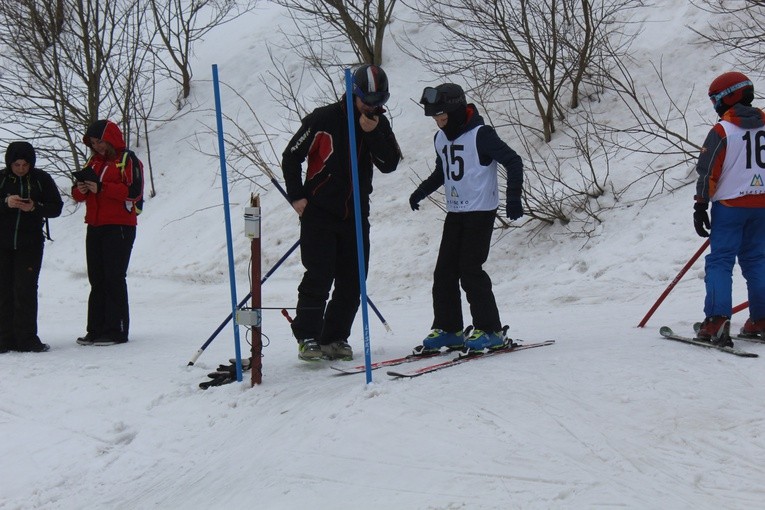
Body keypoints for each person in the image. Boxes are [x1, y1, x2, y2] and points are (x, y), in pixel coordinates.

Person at [281, 64, 401, 361]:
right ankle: (307, 335)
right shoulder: (324, 118)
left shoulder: (378, 123)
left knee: (352, 280)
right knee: (319, 275)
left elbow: (389, 163)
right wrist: (296, 196)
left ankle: (334, 337)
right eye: (368, 100)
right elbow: (291, 156)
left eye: (379, 101)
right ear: (353, 93)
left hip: (356, 214)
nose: (373, 106)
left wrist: (371, 134)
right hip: (319, 212)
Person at [410, 83, 524, 352]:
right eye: (435, 119)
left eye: (443, 118)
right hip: (456, 211)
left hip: (480, 211)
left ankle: (491, 330)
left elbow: (513, 160)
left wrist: (513, 197)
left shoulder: (480, 135)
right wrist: (421, 191)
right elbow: (444, 171)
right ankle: (450, 329)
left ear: (457, 111)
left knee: (470, 270)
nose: (439, 124)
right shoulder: (441, 139)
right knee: (444, 272)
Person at [693, 72, 765, 346]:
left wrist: (700, 205)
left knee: (720, 262)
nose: (715, 107)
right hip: (762, 207)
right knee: (757, 260)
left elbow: (708, 171)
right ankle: (761, 318)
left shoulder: (722, 130)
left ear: (727, 98)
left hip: (730, 207)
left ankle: (716, 321)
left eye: (715, 100)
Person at [72, 120, 143, 346]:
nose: (97, 146)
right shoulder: (93, 162)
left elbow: (134, 191)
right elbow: (76, 195)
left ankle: (116, 330)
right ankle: (95, 329)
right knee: (97, 279)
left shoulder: (127, 159)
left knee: (114, 277)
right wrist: (81, 189)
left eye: (100, 141)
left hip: (120, 226)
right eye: (93, 143)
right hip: (94, 225)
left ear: (110, 139)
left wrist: (102, 188)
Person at [0, 141, 63, 353]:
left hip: (30, 244)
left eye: (25, 165)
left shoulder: (41, 179)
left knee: (25, 289)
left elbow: (56, 208)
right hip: (3, 243)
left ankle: (27, 338)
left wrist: (35, 207)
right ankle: (4, 338)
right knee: (4, 289)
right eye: (16, 165)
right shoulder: (1, 179)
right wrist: (5, 202)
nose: (20, 169)